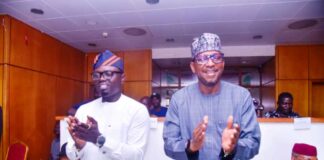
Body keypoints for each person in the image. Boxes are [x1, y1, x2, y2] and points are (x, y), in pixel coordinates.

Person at [163, 33, 261, 160]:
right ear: (193, 67)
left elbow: (253, 143)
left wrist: (231, 149)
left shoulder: (241, 97)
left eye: (216, 57)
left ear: (223, 63)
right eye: (202, 58)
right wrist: (190, 146)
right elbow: (169, 145)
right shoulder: (179, 99)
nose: (210, 63)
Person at [65, 50, 150, 160]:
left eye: (108, 73)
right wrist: (79, 145)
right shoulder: (84, 109)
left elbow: (137, 156)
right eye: (96, 75)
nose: (101, 79)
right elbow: (71, 155)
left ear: (122, 78)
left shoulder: (137, 110)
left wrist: (98, 138)